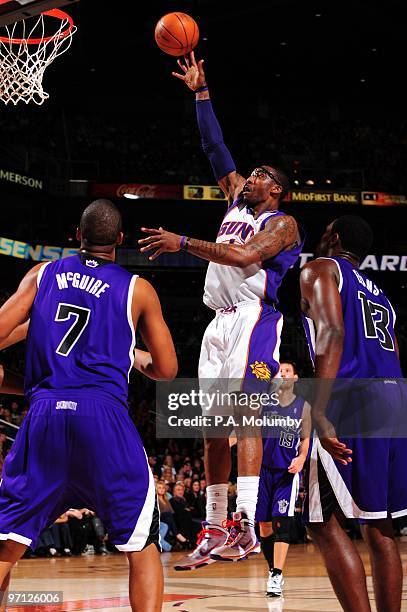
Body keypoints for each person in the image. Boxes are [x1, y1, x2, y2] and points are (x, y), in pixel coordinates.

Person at [139, 51, 304, 569]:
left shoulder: (283, 225)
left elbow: (244, 256)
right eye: (248, 174)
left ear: (274, 187)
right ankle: (213, 528)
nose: (247, 177)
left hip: (255, 319)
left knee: (247, 417)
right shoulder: (236, 202)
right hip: (218, 322)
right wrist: (200, 93)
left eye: (258, 175)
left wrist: (182, 241)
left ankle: (249, 526)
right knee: (212, 425)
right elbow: (214, 147)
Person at [0, 199, 177, 612]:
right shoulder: (137, 289)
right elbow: (167, 369)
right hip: (103, 416)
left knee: (7, 543)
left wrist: (23, 378)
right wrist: (131, 356)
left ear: (77, 236)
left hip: (43, 413)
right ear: (118, 239)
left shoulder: (42, 274)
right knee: (142, 542)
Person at [300, 214, 406, 612]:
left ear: (335, 237)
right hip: (393, 397)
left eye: (325, 230)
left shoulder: (320, 269)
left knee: (318, 516)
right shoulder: (381, 294)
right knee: (379, 526)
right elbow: (394, 352)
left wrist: (321, 408)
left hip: (353, 395)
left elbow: (332, 332)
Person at [256, 361, 311, 598]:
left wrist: (301, 458)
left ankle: (277, 574)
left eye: (287, 370)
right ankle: (272, 569)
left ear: (295, 378)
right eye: (279, 371)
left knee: (281, 523)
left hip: (286, 473)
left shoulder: (302, 406)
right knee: (264, 526)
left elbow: (306, 438)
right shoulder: (264, 404)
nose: (283, 374)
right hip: (263, 471)